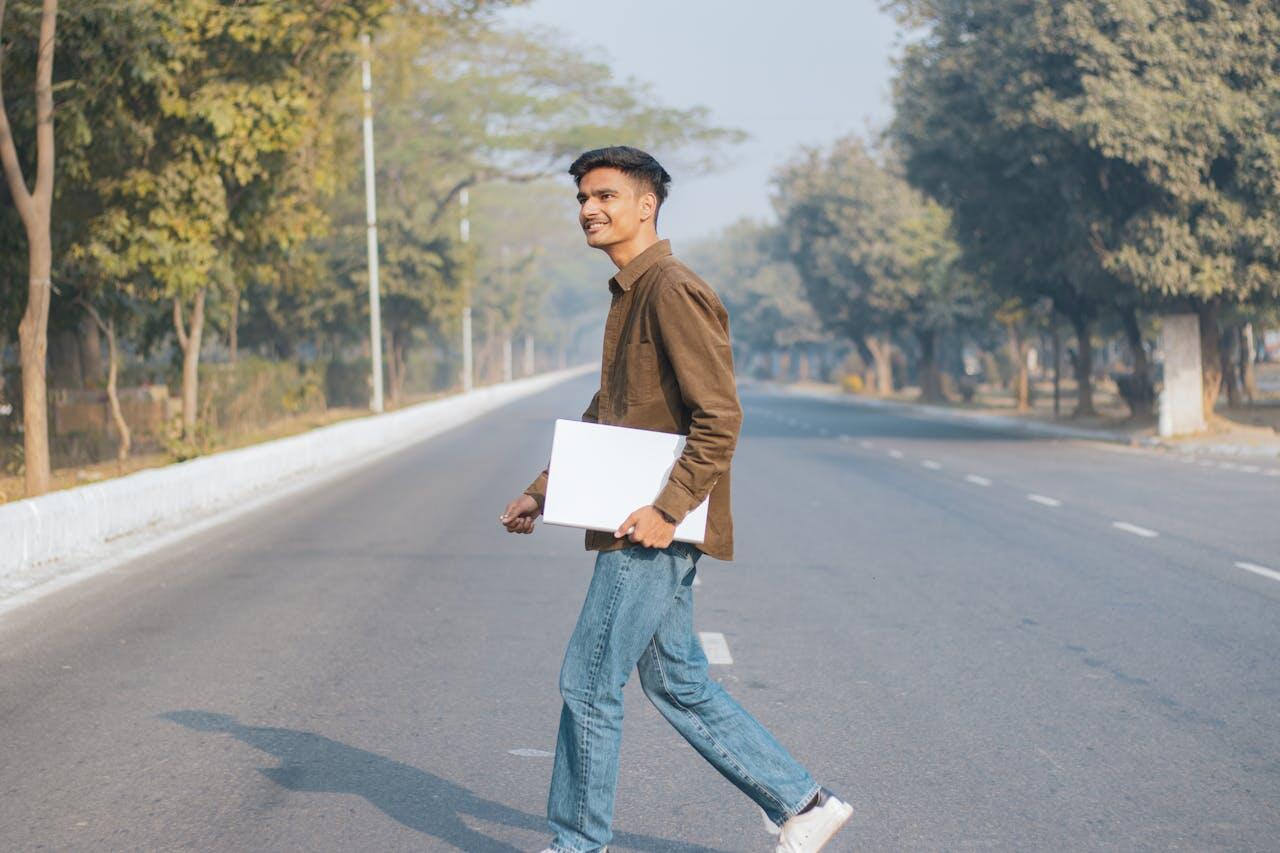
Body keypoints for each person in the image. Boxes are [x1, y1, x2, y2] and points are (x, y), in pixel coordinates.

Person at [501, 146, 852, 853]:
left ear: (645, 205)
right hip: (640, 515)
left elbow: (719, 414)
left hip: (649, 524)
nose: (588, 210)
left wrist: (667, 510)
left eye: (603, 195)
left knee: (589, 681)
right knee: (677, 680)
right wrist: (546, 490)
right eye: (581, 198)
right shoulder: (633, 293)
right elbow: (612, 411)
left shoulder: (670, 289)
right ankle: (804, 801)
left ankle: (577, 845)